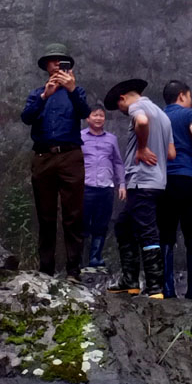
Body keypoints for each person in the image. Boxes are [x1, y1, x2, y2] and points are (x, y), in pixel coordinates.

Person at [20, 43, 90, 280]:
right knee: (46, 214)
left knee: (73, 214)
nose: (56, 65)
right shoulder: (37, 93)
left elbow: (85, 113)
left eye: (61, 61)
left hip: (70, 155)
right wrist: (43, 96)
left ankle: (73, 270)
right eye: (52, 61)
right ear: (46, 67)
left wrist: (72, 89)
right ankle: (46, 269)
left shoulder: (76, 92)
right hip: (43, 156)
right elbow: (26, 117)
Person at [103, 79, 174, 299]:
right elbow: (171, 153)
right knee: (124, 226)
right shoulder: (163, 115)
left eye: (120, 108)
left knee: (147, 230)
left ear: (123, 98)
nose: (123, 112)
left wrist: (142, 148)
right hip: (157, 181)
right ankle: (130, 281)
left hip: (141, 180)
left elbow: (141, 122)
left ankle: (154, 287)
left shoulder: (137, 107)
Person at [159, 80, 192, 299]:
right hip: (187, 177)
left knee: (166, 235)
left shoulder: (158, 116)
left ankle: (167, 289)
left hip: (163, 181)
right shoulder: (190, 114)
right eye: (189, 96)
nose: (190, 100)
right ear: (182, 96)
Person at [80, 104, 126, 273]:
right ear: (88, 118)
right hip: (86, 187)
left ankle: (95, 258)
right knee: (82, 224)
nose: (98, 118)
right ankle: (79, 260)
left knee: (101, 224)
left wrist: (122, 184)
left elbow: (118, 162)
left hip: (106, 187)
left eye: (101, 115)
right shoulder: (80, 137)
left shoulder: (111, 139)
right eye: (95, 115)